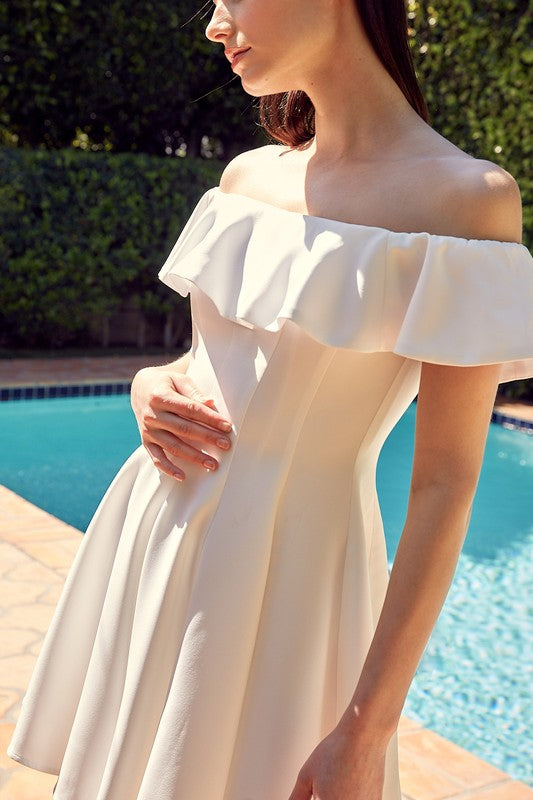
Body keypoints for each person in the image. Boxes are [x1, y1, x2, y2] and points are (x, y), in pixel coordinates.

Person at [8, 1, 533, 798]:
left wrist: (368, 725)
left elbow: (445, 482)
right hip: (154, 531)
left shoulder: (466, 201)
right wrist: (145, 387)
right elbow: (197, 364)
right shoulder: (247, 178)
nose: (214, 25)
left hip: (294, 576)